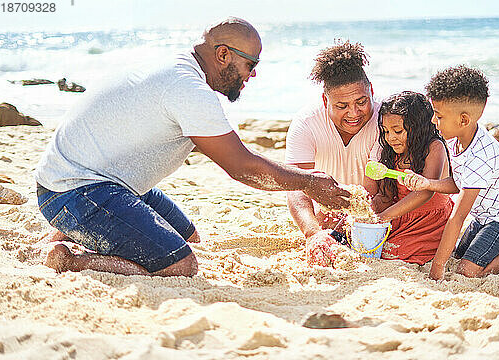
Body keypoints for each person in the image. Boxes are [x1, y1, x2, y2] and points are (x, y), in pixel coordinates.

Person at [34, 17, 350, 278]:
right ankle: (69, 259)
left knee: (189, 238)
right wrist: (309, 182)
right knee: (179, 265)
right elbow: (241, 166)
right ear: (223, 54)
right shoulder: (189, 89)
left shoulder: (180, 70)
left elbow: (229, 152)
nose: (252, 74)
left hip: (106, 182)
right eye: (249, 64)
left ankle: (72, 229)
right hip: (74, 189)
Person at [401, 65, 499, 280]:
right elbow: (458, 183)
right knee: (458, 256)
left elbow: (458, 217)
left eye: (438, 116)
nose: (433, 122)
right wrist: (428, 184)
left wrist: (437, 267)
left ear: (463, 120)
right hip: (484, 215)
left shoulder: (479, 156)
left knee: (467, 271)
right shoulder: (457, 139)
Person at [285, 41, 380, 266]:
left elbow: (375, 188)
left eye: (361, 101)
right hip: (326, 210)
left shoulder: (386, 119)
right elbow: (296, 185)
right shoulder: (306, 123)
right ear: (325, 100)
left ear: (371, 91)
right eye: (342, 106)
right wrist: (313, 234)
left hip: (376, 209)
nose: (354, 113)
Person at [363, 91, 453, 265]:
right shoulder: (392, 151)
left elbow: (426, 193)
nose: (390, 138)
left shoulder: (434, 148)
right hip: (401, 214)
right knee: (374, 246)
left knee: (393, 254)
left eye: (397, 131)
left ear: (418, 127)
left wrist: (384, 216)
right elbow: (388, 194)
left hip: (430, 221)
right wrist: (371, 208)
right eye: (386, 131)